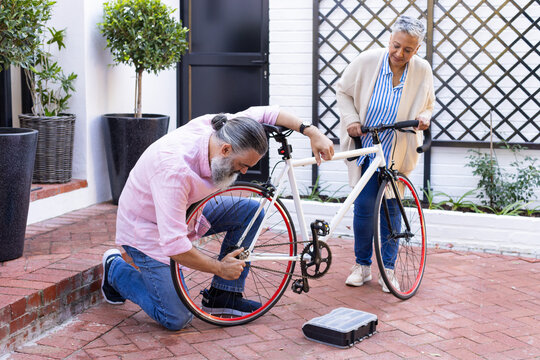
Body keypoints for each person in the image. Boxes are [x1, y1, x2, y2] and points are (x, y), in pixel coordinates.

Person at [100, 105, 334, 330]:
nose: (244, 172)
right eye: (242, 165)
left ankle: (224, 295)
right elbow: (174, 245)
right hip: (147, 228)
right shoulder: (175, 170)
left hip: (188, 212)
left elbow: (270, 112)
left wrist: (312, 132)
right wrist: (219, 268)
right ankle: (115, 270)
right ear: (225, 150)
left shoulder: (229, 128)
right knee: (176, 318)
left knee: (251, 211)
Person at [336, 16, 435, 292]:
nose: (400, 54)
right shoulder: (367, 61)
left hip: (397, 148)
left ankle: (388, 269)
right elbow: (343, 92)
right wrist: (351, 119)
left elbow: (428, 103)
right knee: (365, 208)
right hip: (368, 147)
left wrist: (424, 117)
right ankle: (362, 265)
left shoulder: (422, 70)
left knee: (392, 211)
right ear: (390, 39)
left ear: (417, 50)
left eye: (408, 50)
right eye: (396, 45)